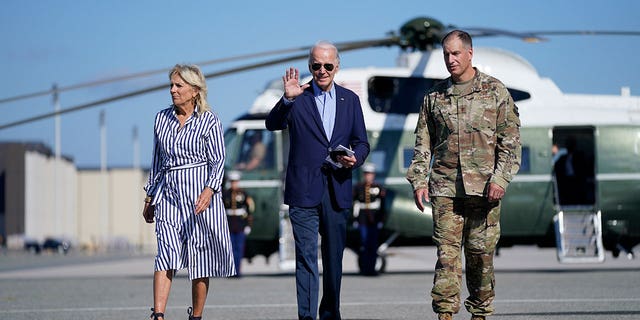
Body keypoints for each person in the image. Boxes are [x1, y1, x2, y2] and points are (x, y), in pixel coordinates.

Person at [406, 30, 521, 320]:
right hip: (445, 190)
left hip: (484, 191)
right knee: (447, 257)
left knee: (480, 257)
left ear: (470, 53)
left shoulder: (495, 92)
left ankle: (480, 314)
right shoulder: (433, 98)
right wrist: (419, 181)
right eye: (446, 53)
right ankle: (445, 314)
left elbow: (511, 141)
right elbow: (422, 144)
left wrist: (500, 179)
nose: (450, 59)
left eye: (456, 53)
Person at [265, 40, 370, 320]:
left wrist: (355, 159)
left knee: (334, 259)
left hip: (337, 189)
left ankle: (330, 313)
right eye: (316, 65)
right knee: (307, 258)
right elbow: (272, 124)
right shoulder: (298, 96)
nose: (322, 70)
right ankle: (307, 317)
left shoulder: (351, 100)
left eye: (327, 65)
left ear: (337, 66)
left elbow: (362, 142)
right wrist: (287, 99)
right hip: (303, 191)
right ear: (309, 66)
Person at [142, 64, 235, 320]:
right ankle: (158, 315)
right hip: (169, 195)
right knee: (165, 254)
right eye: (171, 85)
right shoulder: (161, 119)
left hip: (199, 199)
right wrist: (150, 197)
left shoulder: (209, 119)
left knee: (200, 258)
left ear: (194, 90)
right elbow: (157, 161)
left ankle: (196, 315)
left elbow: (218, 160)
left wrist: (210, 189)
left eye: (178, 85)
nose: (172, 90)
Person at [352, 163, 386, 276]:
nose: (368, 176)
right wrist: (354, 219)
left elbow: (382, 205)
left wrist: (381, 219)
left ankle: (372, 268)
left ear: (373, 175)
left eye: (370, 174)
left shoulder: (378, 187)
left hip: (374, 218)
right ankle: (365, 268)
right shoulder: (358, 187)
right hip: (362, 218)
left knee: (373, 244)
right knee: (364, 243)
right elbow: (354, 203)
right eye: (366, 174)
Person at [222, 170, 254, 277]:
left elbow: (249, 210)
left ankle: (237, 271)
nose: (234, 184)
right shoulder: (225, 194)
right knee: (230, 249)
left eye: (235, 181)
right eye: (232, 182)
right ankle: (231, 270)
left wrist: (248, 225)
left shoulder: (243, 194)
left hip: (240, 224)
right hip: (229, 224)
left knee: (239, 248)